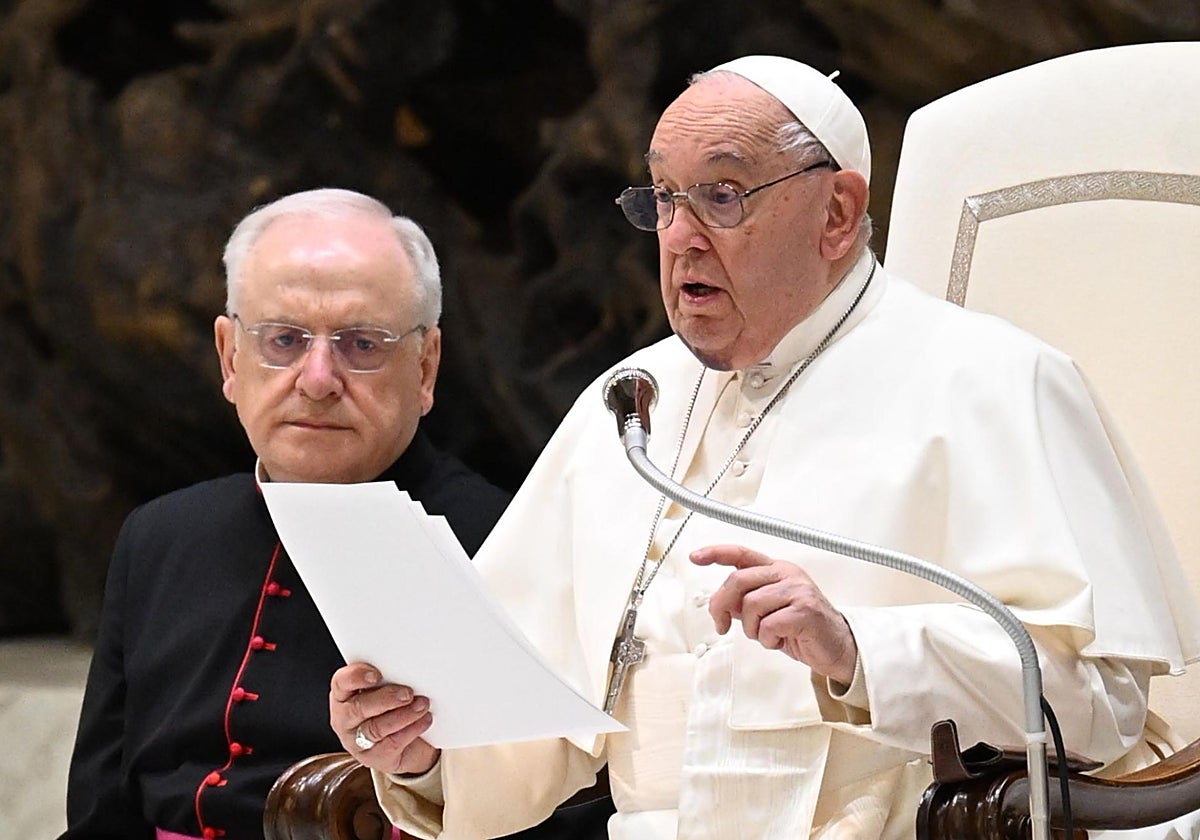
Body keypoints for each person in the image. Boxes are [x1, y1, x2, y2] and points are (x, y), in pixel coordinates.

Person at [329, 57, 1200, 839]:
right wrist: (421, 745)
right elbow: (527, 729)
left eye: (723, 195)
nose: (680, 236)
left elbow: (1099, 709)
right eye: (664, 199)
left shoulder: (994, 382)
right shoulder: (634, 404)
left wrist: (857, 651)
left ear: (838, 212)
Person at [60, 188, 611, 839]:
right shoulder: (159, 536)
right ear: (229, 357)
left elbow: (561, 817)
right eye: (284, 340)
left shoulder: (510, 546)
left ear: (426, 366)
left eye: (362, 344)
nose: (318, 378)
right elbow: (100, 811)